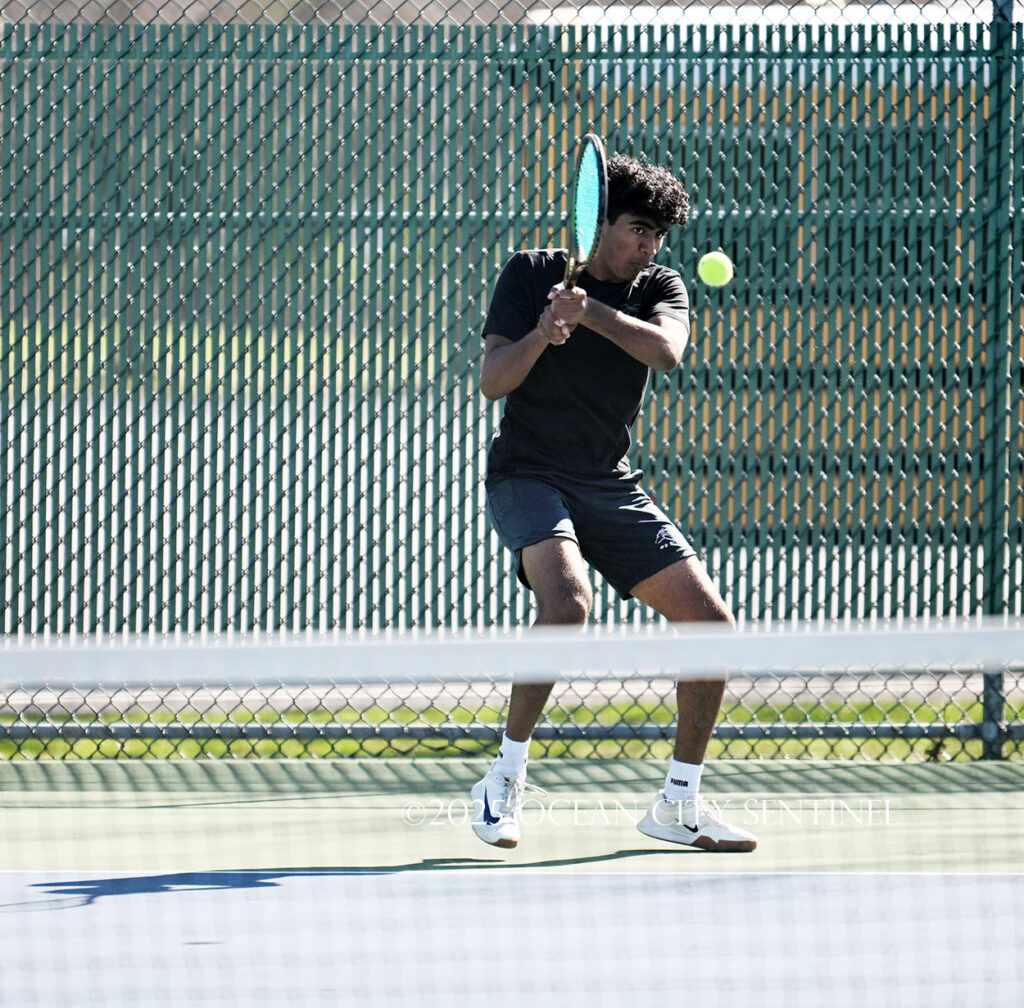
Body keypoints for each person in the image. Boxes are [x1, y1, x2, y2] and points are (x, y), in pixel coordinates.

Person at [471, 151, 756, 853]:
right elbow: (493, 381)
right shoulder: (529, 273)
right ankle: (503, 779)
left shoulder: (661, 285)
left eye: (659, 233)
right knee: (568, 604)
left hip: (609, 482)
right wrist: (544, 332)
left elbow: (666, 352)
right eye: (638, 229)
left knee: (711, 624)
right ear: (598, 224)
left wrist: (591, 313)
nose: (649, 245)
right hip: (528, 473)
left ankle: (678, 804)